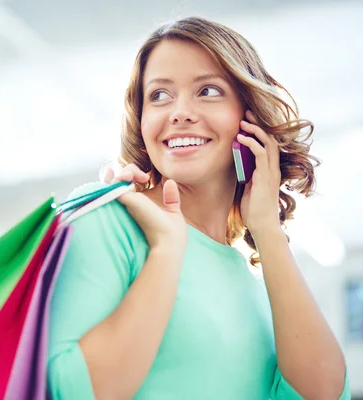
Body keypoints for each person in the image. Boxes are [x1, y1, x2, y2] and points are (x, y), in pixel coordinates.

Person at [47, 16, 350, 400]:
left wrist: (267, 230)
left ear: (250, 118)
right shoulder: (107, 219)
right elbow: (73, 389)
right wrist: (166, 252)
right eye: (159, 95)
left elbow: (321, 394)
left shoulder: (257, 285)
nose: (179, 112)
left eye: (207, 91)